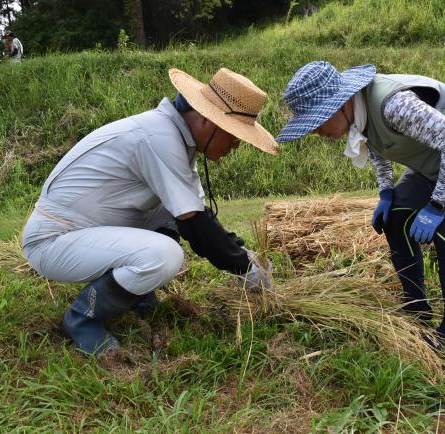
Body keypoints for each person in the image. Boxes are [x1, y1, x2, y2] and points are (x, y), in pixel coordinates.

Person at [22, 67, 279, 356]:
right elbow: (193, 223)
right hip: (55, 240)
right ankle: (82, 319)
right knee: (164, 255)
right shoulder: (158, 137)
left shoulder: (176, 139)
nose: (235, 144)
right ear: (208, 121)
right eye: (234, 135)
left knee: (171, 215)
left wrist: (241, 254)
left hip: (87, 231)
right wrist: (244, 269)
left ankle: (138, 296)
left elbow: (197, 215)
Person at [276, 61, 445, 346]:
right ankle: (416, 308)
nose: (315, 131)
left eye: (316, 121)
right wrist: (386, 192)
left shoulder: (394, 106)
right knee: (394, 218)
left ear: (338, 104)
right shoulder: (359, 111)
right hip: (438, 158)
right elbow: (376, 145)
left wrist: (437, 206)